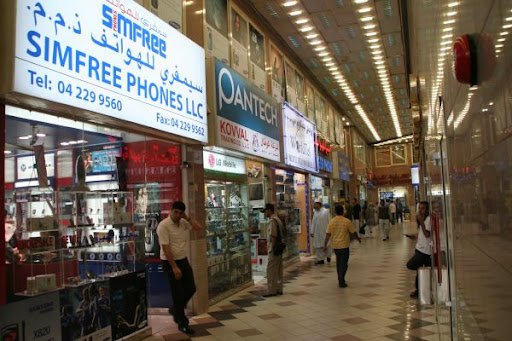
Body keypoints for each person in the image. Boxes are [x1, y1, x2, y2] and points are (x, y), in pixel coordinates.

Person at [156, 201, 204, 335]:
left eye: (180, 213)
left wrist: (187, 217)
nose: (177, 215)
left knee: (191, 288)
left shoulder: (183, 222)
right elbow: (166, 248)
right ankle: (182, 323)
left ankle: (175, 309)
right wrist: (174, 267)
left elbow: (199, 227)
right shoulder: (163, 226)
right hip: (170, 262)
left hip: (183, 259)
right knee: (177, 293)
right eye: (175, 212)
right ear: (171, 211)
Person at [324, 204, 361, 288]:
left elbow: (328, 234)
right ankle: (341, 280)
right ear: (343, 211)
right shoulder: (346, 221)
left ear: (335, 212)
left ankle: (340, 279)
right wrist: (358, 239)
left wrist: (325, 245)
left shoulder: (332, 221)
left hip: (336, 246)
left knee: (339, 263)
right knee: (344, 264)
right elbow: (353, 232)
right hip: (344, 245)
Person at [406, 201, 432, 298]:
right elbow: (423, 234)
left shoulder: (428, 219)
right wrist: (415, 237)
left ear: (427, 209)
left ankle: (422, 290)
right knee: (419, 270)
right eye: (419, 208)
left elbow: (427, 234)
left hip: (424, 251)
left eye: (423, 208)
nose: (421, 211)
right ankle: (419, 290)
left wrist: (421, 221)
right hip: (420, 248)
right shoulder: (424, 219)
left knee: (411, 265)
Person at [262, 203, 285, 297]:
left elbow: (273, 236)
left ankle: (271, 290)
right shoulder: (278, 219)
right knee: (278, 269)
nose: (264, 213)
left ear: (269, 210)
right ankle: (279, 288)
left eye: (265, 211)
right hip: (279, 248)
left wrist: (271, 248)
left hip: (274, 248)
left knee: (271, 270)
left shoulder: (272, 221)